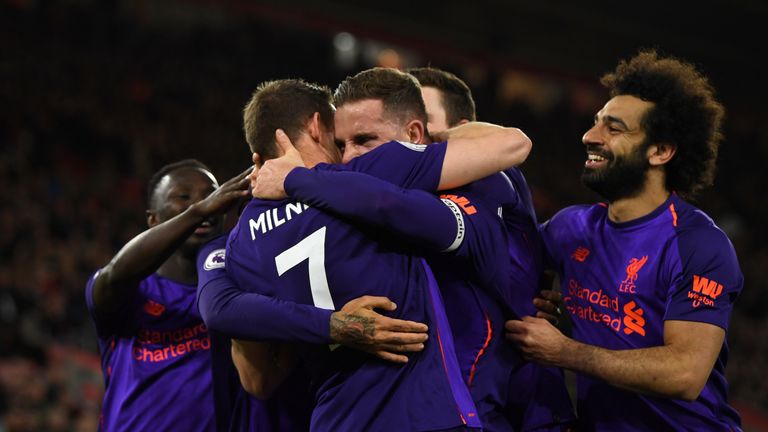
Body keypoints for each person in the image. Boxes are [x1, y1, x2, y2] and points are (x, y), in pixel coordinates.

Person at [224, 77, 531, 431]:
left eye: (363, 140)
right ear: (316, 126)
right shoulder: (367, 174)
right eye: (342, 142)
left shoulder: (239, 242)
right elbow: (513, 143)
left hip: (332, 419)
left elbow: (254, 373)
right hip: (426, 414)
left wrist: (328, 327)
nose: (350, 154)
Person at [505, 49, 743, 431]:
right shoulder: (571, 228)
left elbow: (685, 373)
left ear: (661, 151)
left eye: (613, 129)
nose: (589, 136)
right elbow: (507, 266)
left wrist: (565, 350)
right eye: (596, 123)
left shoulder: (697, 243)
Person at [408, 65, 576, 431]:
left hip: (499, 404)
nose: (412, 137)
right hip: (471, 399)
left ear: (466, 130)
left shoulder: (492, 179)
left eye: (422, 122)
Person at [85, 159, 250, 431]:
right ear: (153, 219)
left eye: (211, 194)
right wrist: (197, 212)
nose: (204, 203)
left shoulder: (235, 289)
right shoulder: (131, 289)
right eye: (182, 197)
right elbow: (115, 275)